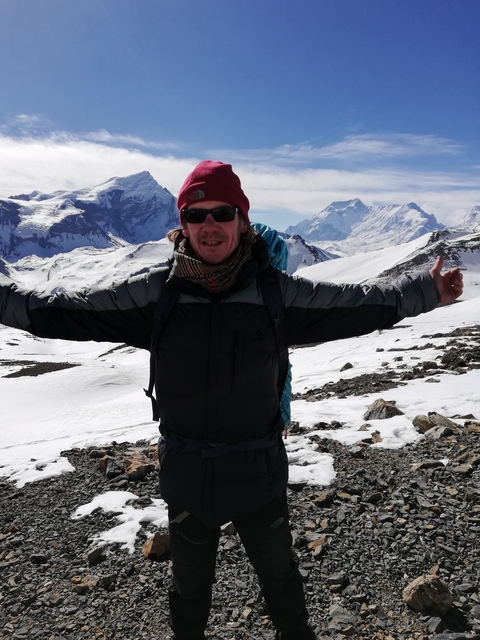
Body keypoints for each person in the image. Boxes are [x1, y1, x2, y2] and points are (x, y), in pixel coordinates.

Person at [0, 161, 463, 640]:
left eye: (222, 213)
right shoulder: (156, 294)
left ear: (242, 220)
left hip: (257, 467)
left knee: (280, 578)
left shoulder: (273, 294)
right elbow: (61, 312)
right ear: (182, 226)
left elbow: (354, 304)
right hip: (186, 469)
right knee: (189, 588)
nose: (210, 226)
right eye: (196, 216)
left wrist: (426, 291)